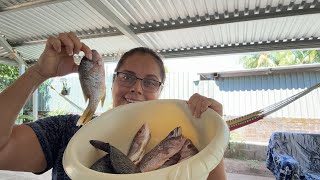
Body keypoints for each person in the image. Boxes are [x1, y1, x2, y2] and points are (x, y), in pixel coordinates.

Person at [0, 32, 226, 179]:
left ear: (160, 91)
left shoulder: (179, 144)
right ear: (111, 82)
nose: (136, 88)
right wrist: (38, 72)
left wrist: (211, 130)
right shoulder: (68, 130)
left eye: (149, 82)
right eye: (127, 76)